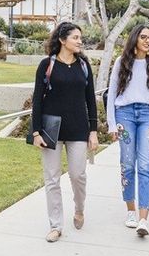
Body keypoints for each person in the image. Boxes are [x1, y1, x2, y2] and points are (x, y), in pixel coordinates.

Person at [30, 21, 99, 242]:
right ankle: (56, 225)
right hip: (51, 130)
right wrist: (36, 132)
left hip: (78, 128)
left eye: (80, 37)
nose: (80, 41)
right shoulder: (46, 65)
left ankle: (79, 208)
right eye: (75, 37)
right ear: (62, 40)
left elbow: (91, 100)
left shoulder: (83, 66)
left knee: (78, 175)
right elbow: (37, 100)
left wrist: (94, 130)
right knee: (52, 178)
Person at [108, 24, 149, 237]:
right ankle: (131, 212)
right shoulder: (122, 62)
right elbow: (111, 94)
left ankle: (144, 218)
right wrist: (110, 124)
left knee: (145, 165)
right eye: (143, 37)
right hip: (124, 114)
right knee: (127, 165)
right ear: (135, 38)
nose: (147, 41)